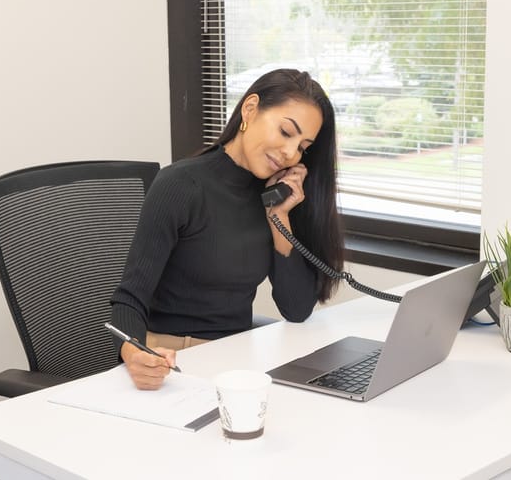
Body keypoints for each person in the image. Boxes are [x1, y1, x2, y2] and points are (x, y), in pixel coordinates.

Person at [110, 68, 344, 390]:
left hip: (236, 362)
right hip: (176, 362)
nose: (291, 153)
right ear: (250, 109)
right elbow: (129, 297)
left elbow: (297, 308)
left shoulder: (270, 198)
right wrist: (133, 351)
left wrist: (279, 216)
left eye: (303, 146)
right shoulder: (181, 185)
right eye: (286, 132)